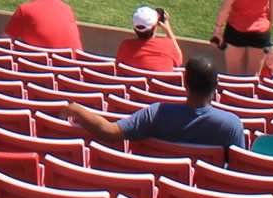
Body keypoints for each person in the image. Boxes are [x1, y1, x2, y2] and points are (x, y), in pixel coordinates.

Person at [65, 57, 247, 150]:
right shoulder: (231, 125)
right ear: (216, 85)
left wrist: (75, 109)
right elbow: (239, 173)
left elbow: (108, 131)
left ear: (185, 82)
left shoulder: (157, 113)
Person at [5, 0, 83, 50]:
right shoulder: (68, 10)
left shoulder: (25, 10)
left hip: (39, 62)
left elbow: (5, 43)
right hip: (71, 62)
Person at [115, 5, 184, 72]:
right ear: (154, 26)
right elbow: (179, 60)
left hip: (131, 83)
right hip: (158, 83)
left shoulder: (125, 46)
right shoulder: (167, 45)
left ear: (135, 28)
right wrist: (167, 28)